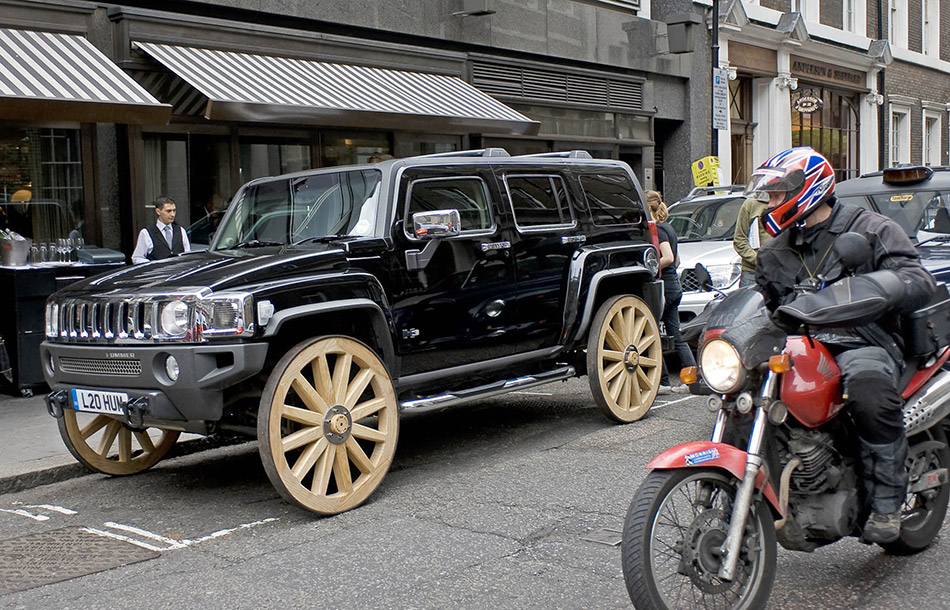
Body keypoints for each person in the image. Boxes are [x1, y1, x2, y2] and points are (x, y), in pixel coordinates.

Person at [750, 147, 937, 544]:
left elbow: (918, 279)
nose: (770, 203)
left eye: (777, 194)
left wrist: (882, 287)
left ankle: (887, 504)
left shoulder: (872, 229)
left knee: (870, 393)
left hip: (863, 338)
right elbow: (761, 303)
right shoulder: (773, 251)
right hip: (801, 347)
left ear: (809, 188)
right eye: (769, 196)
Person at [645, 190, 696, 395]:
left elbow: (667, 256)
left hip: (664, 286)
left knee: (653, 334)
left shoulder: (658, 229)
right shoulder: (669, 227)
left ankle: (663, 381)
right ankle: (692, 378)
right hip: (674, 284)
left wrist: (651, 265)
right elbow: (677, 261)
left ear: (649, 207)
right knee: (676, 335)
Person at [131, 195, 190, 264]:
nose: (172, 214)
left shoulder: (180, 230)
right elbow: (137, 258)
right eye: (168, 211)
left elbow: (187, 255)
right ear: (158, 211)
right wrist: (151, 265)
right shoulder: (146, 233)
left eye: (174, 211)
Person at [733, 192, 771, 287]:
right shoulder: (751, 204)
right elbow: (739, 240)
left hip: (780, 272)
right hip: (752, 273)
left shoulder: (789, 202)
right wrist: (759, 260)